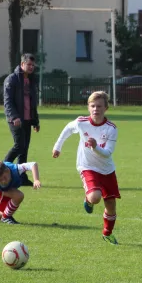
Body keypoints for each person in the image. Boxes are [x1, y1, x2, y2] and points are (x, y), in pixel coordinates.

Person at [52, 91, 120, 245]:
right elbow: (67, 130)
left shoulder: (111, 128)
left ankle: (107, 233)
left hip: (107, 170)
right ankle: (88, 199)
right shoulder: (81, 122)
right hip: (87, 166)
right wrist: (58, 147)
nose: (96, 109)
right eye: (93, 106)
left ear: (106, 108)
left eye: (99, 106)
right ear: (89, 107)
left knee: (111, 206)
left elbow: (107, 153)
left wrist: (95, 147)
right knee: (95, 197)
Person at [3, 53, 40, 186]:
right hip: (16, 120)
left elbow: (32, 102)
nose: (31, 67)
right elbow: (8, 101)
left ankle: (22, 178)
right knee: (19, 146)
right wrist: (14, 117)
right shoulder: (12, 79)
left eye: (33, 65)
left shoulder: (31, 80)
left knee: (24, 149)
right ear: (22, 64)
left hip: (27, 119)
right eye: (28, 64)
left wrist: (35, 121)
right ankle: (1, 170)